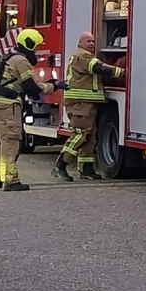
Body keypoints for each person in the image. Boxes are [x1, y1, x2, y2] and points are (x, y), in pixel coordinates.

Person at [0, 28, 67, 191]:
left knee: (3, 142)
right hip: (8, 106)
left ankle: (1, 177)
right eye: (36, 47)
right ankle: (11, 180)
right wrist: (55, 85)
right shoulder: (20, 61)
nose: (37, 51)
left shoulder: (10, 57)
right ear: (29, 45)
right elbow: (32, 88)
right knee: (11, 141)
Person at [52, 31, 125, 181]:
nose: (91, 44)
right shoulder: (82, 56)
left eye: (93, 41)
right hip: (80, 103)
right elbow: (100, 68)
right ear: (81, 43)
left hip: (86, 102)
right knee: (81, 133)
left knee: (89, 137)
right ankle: (60, 165)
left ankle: (86, 170)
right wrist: (123, 72)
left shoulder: (84, 56)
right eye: (88, 41)